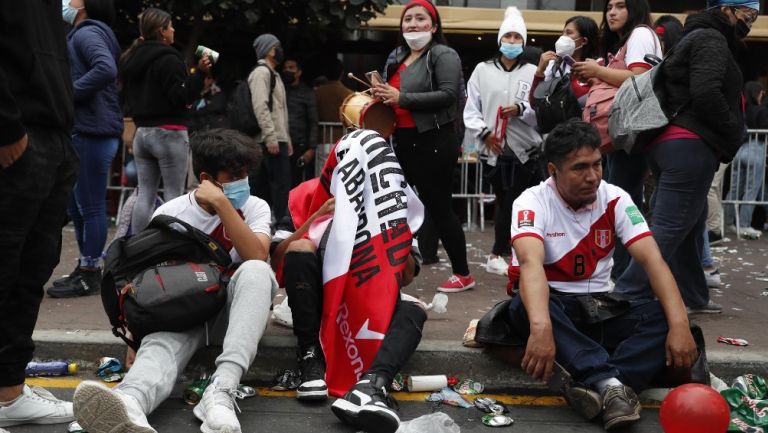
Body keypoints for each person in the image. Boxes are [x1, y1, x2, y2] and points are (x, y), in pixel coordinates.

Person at [72, 129, 277, 433]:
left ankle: (220, 392)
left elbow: (256, 256)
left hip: (234, 317)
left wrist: (224, 206)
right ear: (207, 177)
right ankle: (130, 401)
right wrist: (137, 333)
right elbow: (155, 284)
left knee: (258, 272)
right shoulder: (171, 213)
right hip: (186, 310)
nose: (243, 179)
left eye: (246, 172)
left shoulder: (255, 207)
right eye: (234, 173)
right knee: (159, 342)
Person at [507, 120, 697, 431]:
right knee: (523, 308)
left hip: (599, 308)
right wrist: (540, 329)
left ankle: (603, 386)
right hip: (553, 308)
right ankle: (613, 385)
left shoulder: (616, 198)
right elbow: (530, 265)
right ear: (553, 170)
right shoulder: (530, 202)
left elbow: (654, 262)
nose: (593, 176)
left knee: (664, 316)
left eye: (598, 164)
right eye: (580, 168)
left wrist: (679, 325)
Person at [616, 0, 756, 315]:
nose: (751, 21)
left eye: (756, 16)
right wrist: (734, 131)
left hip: (670, 142)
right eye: (747, 13)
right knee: (669, 225)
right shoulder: (712, 39)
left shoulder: (696, 36)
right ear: (726, 10)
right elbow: (706, 93)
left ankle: (693, 296)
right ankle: (624, 294)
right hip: (690, 145)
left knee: (688, 224)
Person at [0, 0, 79, 427]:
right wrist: (5, 125)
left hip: (51, 135)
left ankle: (8, 394)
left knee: (30, 272)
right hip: (16, 133)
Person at [373, 0, 474, 293]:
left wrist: (400, 97)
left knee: (440, 207)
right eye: (408, 19)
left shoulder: (443, 54)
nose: (413, 24)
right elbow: (394, 98)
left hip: (434, 140)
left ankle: (463, 274)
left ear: (434, 25)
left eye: (420, 18)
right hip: (402, 140)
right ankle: (394, 268)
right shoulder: (397, 56)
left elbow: (448, 95)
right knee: (395, 206)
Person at [572, 0, 662, 280]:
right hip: (621, 137)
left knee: (622, 206)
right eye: (609, 6)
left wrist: (598, 72)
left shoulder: (640, 35)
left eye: (620, 6)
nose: (611, 12)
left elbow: (639, 79)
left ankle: (624, 275)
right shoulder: (631, 39)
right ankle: (621, 272)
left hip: (631, 136)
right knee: (620, 202)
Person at [46, 0, 123, 299]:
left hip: (92, 131)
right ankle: (86, 266)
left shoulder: (85, 34)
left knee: (89, 207)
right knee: (79, 208)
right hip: (91, 129)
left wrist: (68, 93)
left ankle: (90, 272)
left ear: (84, 5)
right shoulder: (86, 33)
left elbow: (105, 68)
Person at [464, 7, 544, 276]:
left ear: (523, 41)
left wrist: (521, 110)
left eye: (517, 37)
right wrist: (485, 133)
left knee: (517, 200)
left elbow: (538, 111)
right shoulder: (481, 70)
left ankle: (502, 251)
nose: (512, 42)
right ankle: (506, 252)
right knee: (503, 198)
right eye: (508, 36)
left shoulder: (534, 71)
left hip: (525, 148)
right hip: (493, 148)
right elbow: (471, 109)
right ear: (500, 39)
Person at [120, 8, 211, 233]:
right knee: (174, 195)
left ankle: (138, 243)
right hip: (169, 132)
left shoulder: (131, 58)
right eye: (170, 27)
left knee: (145, 193)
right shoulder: (169, 59)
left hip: (142, 134)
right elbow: (181, 97)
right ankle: (170, 246)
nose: (173, 30)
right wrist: (199, 75)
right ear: (162, 31)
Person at [248, 33, 292, 222]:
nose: (279, 51)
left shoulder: (273, 74)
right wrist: (271, 137)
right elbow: (261, 106)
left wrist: (286, 139)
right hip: (269, 141)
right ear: (268, 51)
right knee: (274, 186)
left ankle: (269, 226)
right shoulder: (261, 73)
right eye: (276, 47)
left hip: (277, 139)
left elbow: (280, 111)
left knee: (275, 186)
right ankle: (278, 226)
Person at [725, 81, 768, 238]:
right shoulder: (762, 110)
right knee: (752, 189)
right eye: (762, 92)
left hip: (740, 150)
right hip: (756, 150)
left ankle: (728, 222)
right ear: (757, 93)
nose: (763, 95)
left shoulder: (742, 109)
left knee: (734, 187)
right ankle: (744, 225)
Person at [532, 15, 600, 109]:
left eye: (569, 33)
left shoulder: (597, 66)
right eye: (563, 33)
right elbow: (535, 104)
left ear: (584, 41)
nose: (563, 37)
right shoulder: (554, 65)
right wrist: (540, 71)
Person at [283, 56, 319, 186]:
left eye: (291, 68)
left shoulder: (307, 93)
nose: (287, 71)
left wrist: (311, 148)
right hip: (282, 144)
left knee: (297, 183)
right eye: (285, 68)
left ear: (299, 72)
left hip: (300, 146)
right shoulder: (280, 90)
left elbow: (313, 121)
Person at [314, 57, 353, 143]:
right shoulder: (350, 95)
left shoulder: (317, 93)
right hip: (343, 140)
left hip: (322, 139)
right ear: (342, 73)